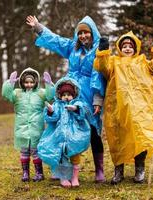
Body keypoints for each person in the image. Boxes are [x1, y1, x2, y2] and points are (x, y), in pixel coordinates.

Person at [26, 15, 106, 183]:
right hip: (70, 92)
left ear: (93, 33)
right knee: (62, 129)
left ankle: (99, 170)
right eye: (80, 33)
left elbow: (100, 75)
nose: (83, 36)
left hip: (90, 95)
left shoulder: (100, 51)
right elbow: (55, 40)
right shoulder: (72, 47)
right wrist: (38, 27)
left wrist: (98, 99)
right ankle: (61, 168)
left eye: (86, 32)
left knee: (93, 132)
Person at [93, 31, 153, 184]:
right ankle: (118, 171)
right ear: (120, 48)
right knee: (118, 138)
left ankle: (139, 169)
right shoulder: (113, 62)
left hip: (140, 109)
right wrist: (103, 51)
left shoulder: (142, 62)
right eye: (124, 46)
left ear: (135, 48)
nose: (127, 48)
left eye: (130, 46)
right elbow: (102, 67)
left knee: (139, 137)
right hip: (118, 108)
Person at [1, 67, 54, 182]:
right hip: (22, 126)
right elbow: (6, 95)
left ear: (35, 82)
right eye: (26, 82)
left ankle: (39, 173)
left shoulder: (41, 93)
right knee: (24, 150)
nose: (29, 84)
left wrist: (49, 84)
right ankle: (25, 173)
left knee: (35, 151)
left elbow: (50, 96)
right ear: (22, 82)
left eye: (31, 82)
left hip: (36, 127)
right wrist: (9, 84)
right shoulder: (17, 94)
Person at [37, 77, 91, 188]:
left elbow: (83, 113)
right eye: (64, 94)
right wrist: (51, 111)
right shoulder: (58, 105)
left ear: (74, 94)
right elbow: (52, 118)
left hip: (75, 137)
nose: (66, 97)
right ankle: (64, 177)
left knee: (75, 157)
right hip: (60, 137)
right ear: (60, 95)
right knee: (61, 156)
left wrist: (75, 108)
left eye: (69, 94)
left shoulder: (78, 103)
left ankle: (74, 177)